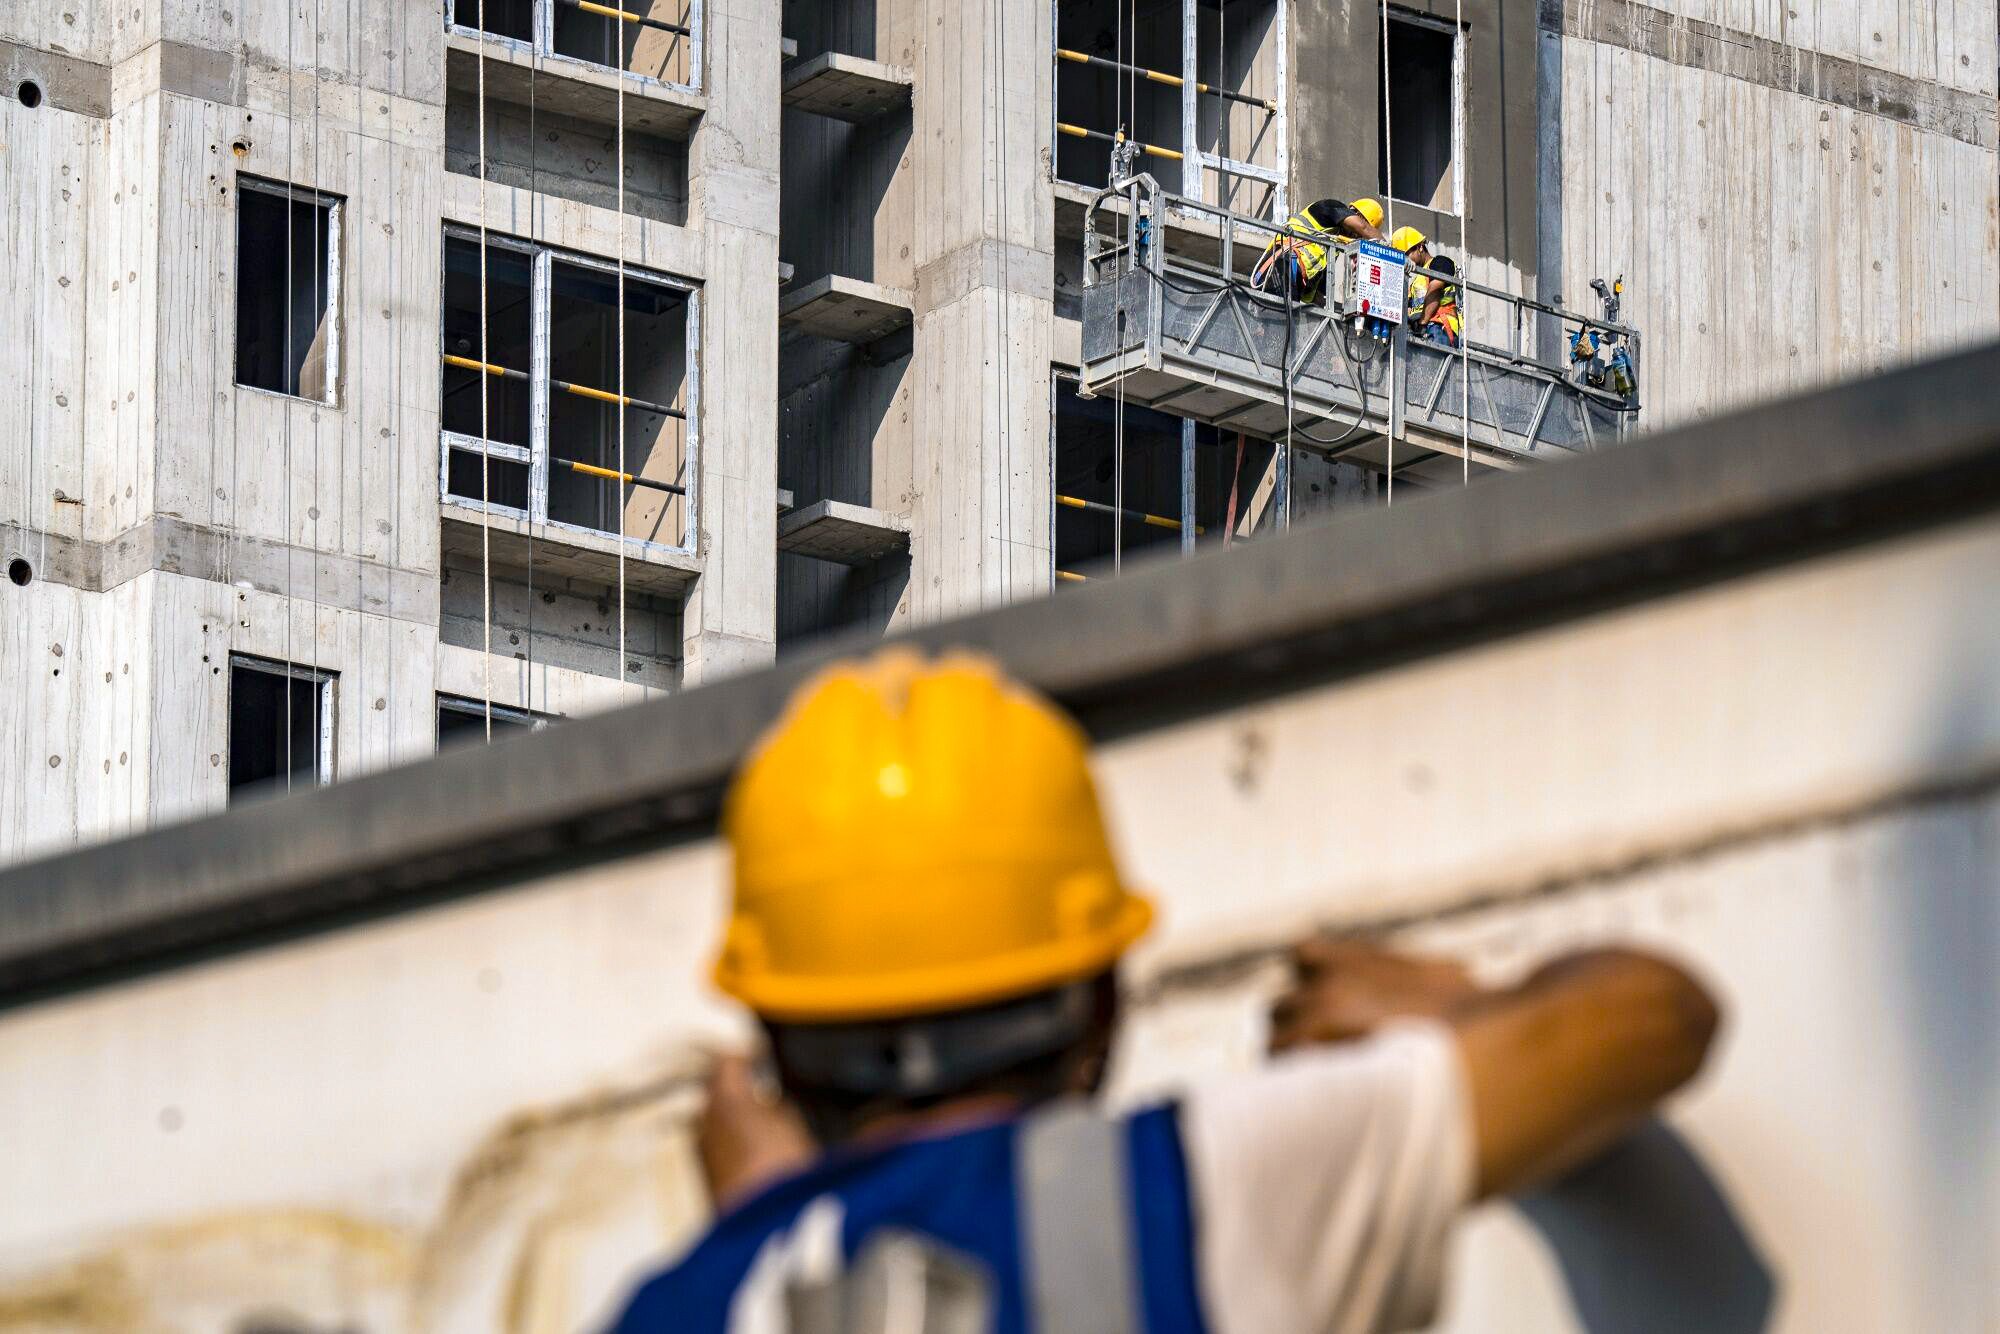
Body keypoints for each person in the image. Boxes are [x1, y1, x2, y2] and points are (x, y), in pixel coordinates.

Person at [610, 652, 1722, 1334]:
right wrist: (1439, 1002)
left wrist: (765, 1223)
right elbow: (1653, 1014)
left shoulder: (669, 1311)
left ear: (771, 1044)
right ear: (1100, 1004)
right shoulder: (1191, 1193)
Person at [1252, 196, 1386, 304]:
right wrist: (1390, 250)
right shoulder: (1330, 207)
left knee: (1281, 329)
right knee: (1278, 324)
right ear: (1356, 214)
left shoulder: (1332, 245)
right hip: (1282, 265)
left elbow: (1319, 294)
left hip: (1292, 278)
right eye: (1359, 234)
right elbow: (1363, 227)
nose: (1356, 236)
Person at [1414, 254, 1462, 348]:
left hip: (1438, 326)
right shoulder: (1418, 279)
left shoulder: (1441, 262)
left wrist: (1422, 323)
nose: (1407, 258)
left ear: (1420, 247)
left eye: (1407, 253)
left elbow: (1435, 290)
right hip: (1425, 329)